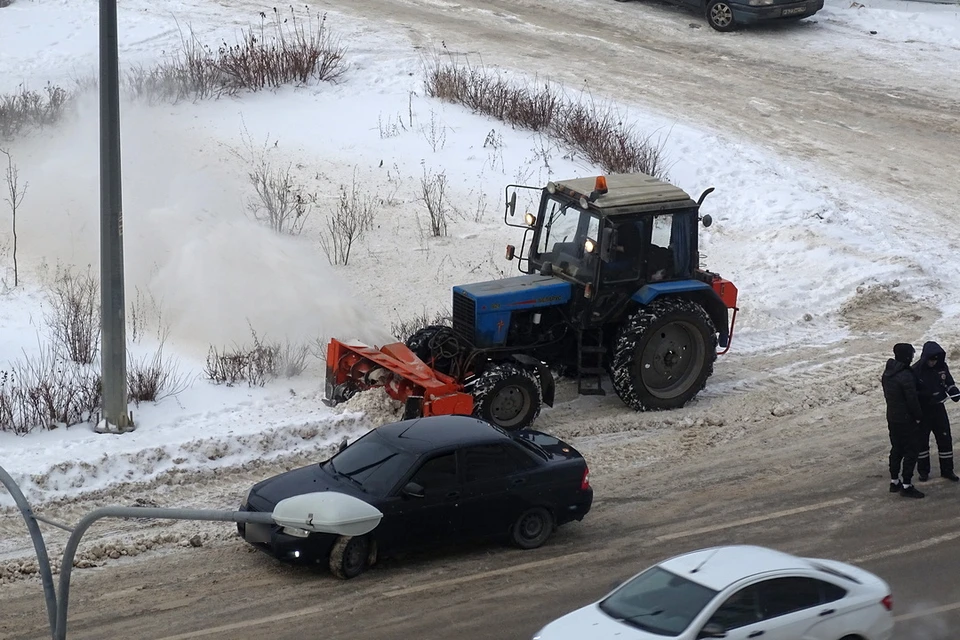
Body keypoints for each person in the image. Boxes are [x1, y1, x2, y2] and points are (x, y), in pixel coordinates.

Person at [880, 343, 925, 498]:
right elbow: (912, 400)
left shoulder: (887, 373)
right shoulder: (905, 375)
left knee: (896, 449)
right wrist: (919, 416)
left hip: (892, 417)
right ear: (906, 356)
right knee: (911, 451)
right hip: (907, 419)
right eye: (911, 355)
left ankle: (894, 481)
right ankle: (907, 484)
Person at [912, 341, 960, 482]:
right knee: (922, 442)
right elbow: (911, 393)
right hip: (923, 411)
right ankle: (923, 472)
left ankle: (947, 470)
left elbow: (948, 383)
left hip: (939, 409)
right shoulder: (916, 370)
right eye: (931, 359)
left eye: (936, 359)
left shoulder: (942, 367)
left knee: (945, 439)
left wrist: (954, 391)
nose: (933, 362)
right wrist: (924, 396)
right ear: (925, 357)